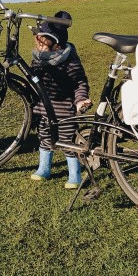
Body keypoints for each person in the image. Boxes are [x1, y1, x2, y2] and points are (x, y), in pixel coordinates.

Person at [29, 11, 92, 189]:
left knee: (67, 142)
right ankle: (44, 168)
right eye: (38, 42)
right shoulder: (39, 59)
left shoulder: (68, 62)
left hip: (63, 111)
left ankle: (74, 175)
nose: (39, 47)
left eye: (43, 44)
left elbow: (79, 82)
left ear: (57, 46)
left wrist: (81, 100)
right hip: (43, 110)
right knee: (44, 138)